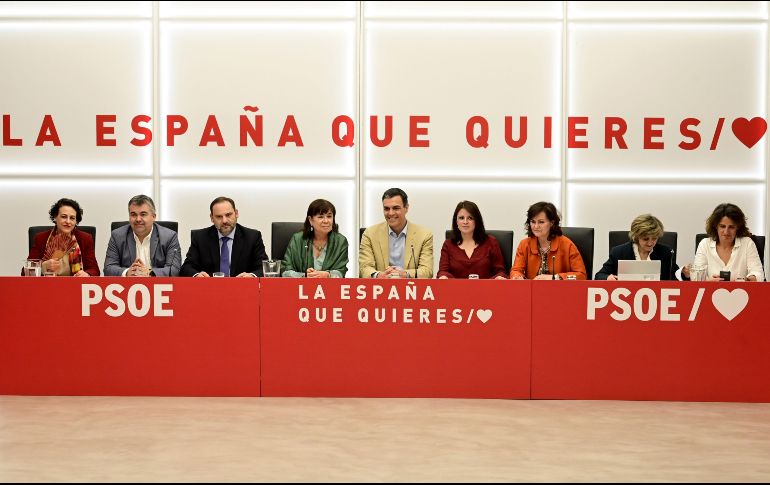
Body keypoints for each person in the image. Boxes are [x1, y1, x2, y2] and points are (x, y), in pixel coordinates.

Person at [181, 196, 268, 277]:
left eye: (228, 215)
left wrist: (252, 276)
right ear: (212, 218)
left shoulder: (252, 237)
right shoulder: (200, 237)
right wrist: (197, 275)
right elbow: (186, 267)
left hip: (242, 287)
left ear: (236, 213)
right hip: (210, 287)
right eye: (219, 217)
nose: (224, 221)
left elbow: (263, 268)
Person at [359, 188, 433, 278]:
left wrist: (406, 274)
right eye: (386, 209)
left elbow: (427, 271)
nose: (390, 213)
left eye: (396, 208)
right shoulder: (370, 234)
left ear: (406, 208)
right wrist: (379, 275)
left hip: (410, 285)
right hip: (380, 285)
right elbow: (364, 268)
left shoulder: (424, 235)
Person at [681, 203, 764, 281]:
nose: (726, 232)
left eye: (731, 227)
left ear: (738, 227)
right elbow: (696, 277)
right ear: (715, 226)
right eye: (722, 226)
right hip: (709, 291)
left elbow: (758, 274)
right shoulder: (704, 244)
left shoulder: (747, 243)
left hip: (741, 291)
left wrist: (744, 281)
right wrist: (709, 282)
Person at [104, 195, 181, 277]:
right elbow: (108, 268)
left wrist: (150, 273)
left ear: (153, 217)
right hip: (128, 284)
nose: (138, 219)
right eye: (133, 214)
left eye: (143, 214)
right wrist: (127, 272)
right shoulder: (117, 236)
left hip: (157, 284)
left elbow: (174, 269)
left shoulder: (169, 237)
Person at [510, 201, 586, 280]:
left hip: (558, 287)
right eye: (533, 222)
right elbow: (516, 270)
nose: (536, 226)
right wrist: (517, 277)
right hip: (532, 287)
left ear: (552, 223)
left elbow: (581, 275)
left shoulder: (567, 245)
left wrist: (556, 277)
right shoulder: (524, 244)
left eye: (541, 222)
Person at [25, 198, 100, 276]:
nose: (68, 221)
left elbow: (95, 270)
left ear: (76, 221)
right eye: (64, 217)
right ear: (55, 217)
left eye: (72, 218)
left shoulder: (85, 238)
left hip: (75, 283)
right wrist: (43, 266)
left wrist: (87, 274)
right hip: (49, 283)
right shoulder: (41, 238)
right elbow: (25, 273)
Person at [595, 214, 679, 280]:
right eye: (645, 239)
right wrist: (608, 278)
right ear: (636, 236)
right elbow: (599, 275)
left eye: (654, 238)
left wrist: (683, 273)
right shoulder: (618, 252)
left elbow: (676, 277)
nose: (650, 243)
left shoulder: (666, 252)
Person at [437, 201, 506, 279]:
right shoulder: (448, 245)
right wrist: (443, 276)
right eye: (461, 218)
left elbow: (500, 272)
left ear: (477, 221)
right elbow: (443, 271)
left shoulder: (491, 242)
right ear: (456, 221)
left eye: (470, 218)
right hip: (455, 287)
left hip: (487, 287)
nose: (465, 222)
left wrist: (499, 277)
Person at [282, 199, 349, 278]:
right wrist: (305, 276)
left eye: (329, 216)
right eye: (320, 217)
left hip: (329, 285)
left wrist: (328, 275)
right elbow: (285, 271)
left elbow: (341, 272)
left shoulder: (340, 241)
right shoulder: (298, 239)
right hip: (300, 285)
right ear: (310, 220)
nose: (326, 221)